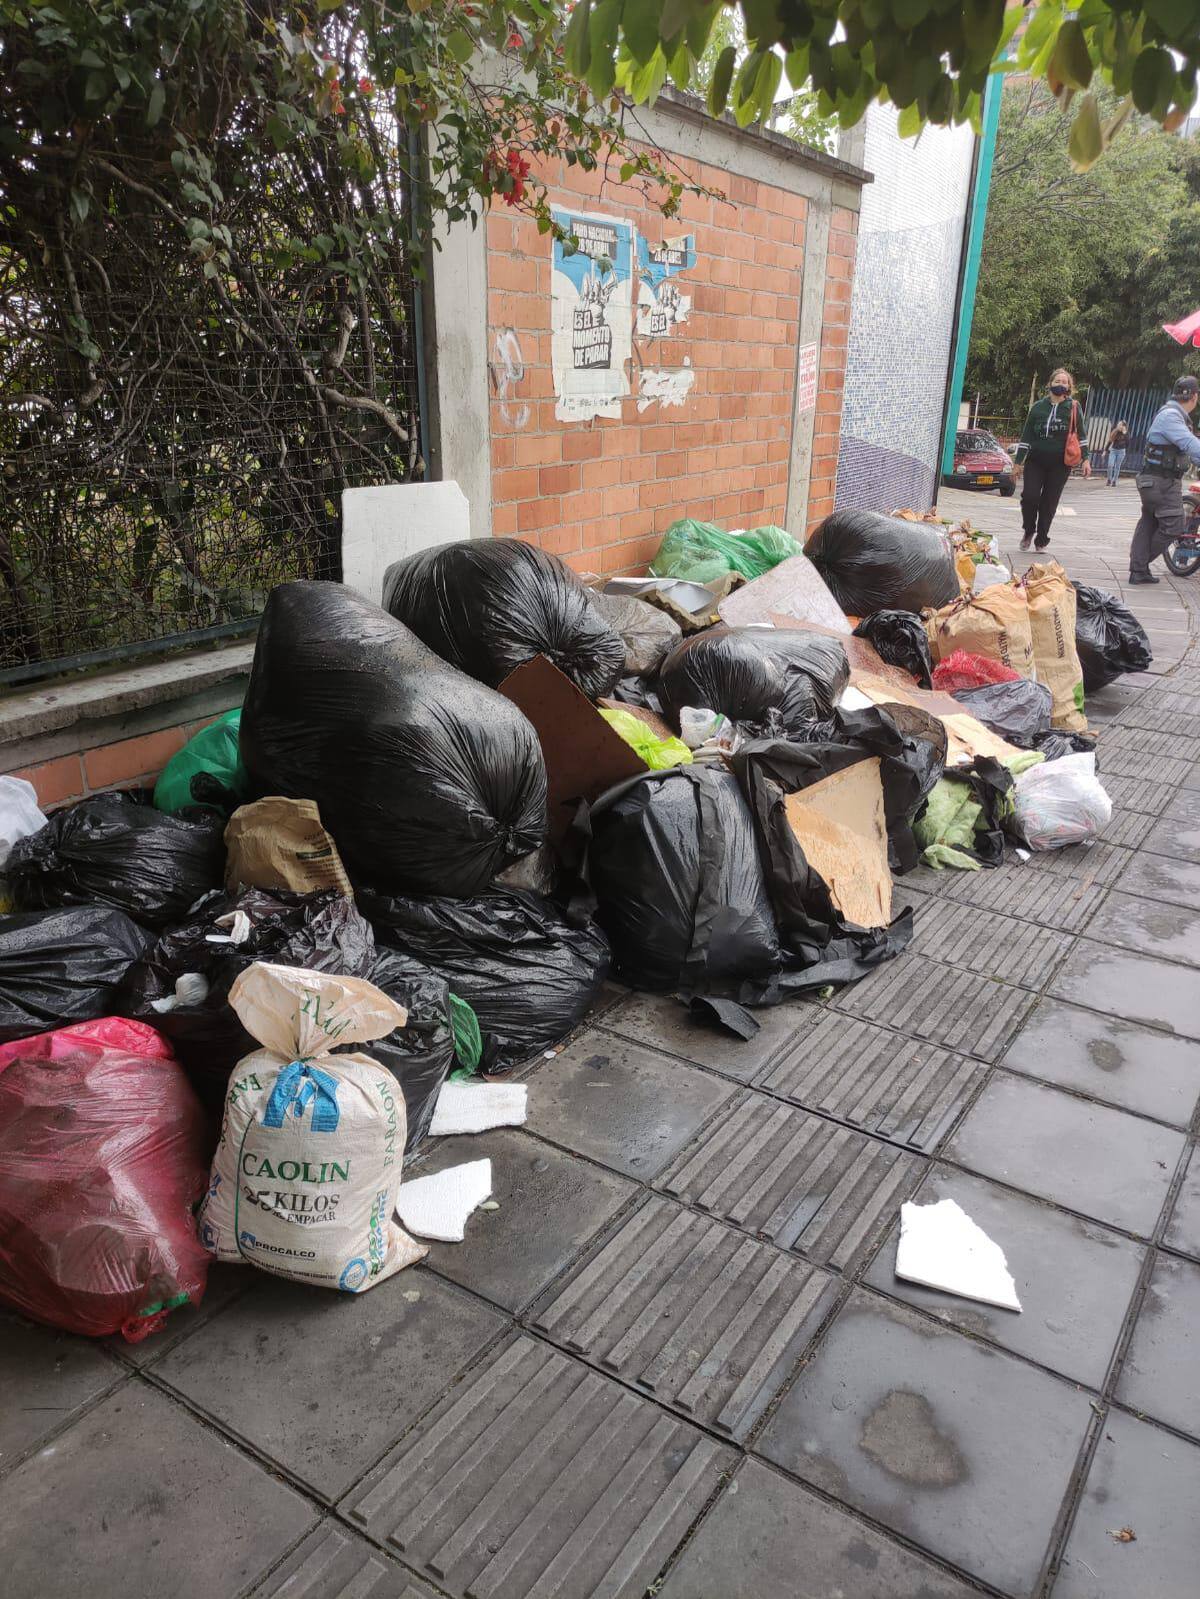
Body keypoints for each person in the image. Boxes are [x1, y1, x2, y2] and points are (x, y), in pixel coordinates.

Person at [1129, 375, 1200, 584]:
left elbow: (1188, 452)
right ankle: (1140, 564)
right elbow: (1190, 444)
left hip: (1158, 480)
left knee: (1150, 522)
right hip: (1160, 482)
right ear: (1194, 397)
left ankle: (1138, 571)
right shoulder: (1171, 416)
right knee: (1174, 526)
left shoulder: (1175, 416)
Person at [1012, 368, 1091, 551]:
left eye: (1064, 382)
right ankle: (1029, 530)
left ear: (1069, 387)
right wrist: (1017, 463)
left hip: (1060, 464)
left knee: (1049, 502)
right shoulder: (1038, 407)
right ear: (1050, 384)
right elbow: (1026, 437)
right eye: (1057, 381)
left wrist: (1086, 459)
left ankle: (1042, 538)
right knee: (1029, 497)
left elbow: (1082, 435)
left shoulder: (1073, 407)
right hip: (1036, 461)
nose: (1060, 384)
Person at [1106, 421, 1128, 487]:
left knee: (1117, 467)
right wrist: (1105, 450)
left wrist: (1124, 433)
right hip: (1113, 450)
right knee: (1110, 465)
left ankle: (1114, 481)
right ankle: (1109, 479)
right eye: (1118, 424)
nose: (1118, 425)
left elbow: (1128, 443)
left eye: (1120, 425)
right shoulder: (1115, 431)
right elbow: (1110, 441)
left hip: (1121, 451)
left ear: (1124, 426)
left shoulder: (1126, 433)